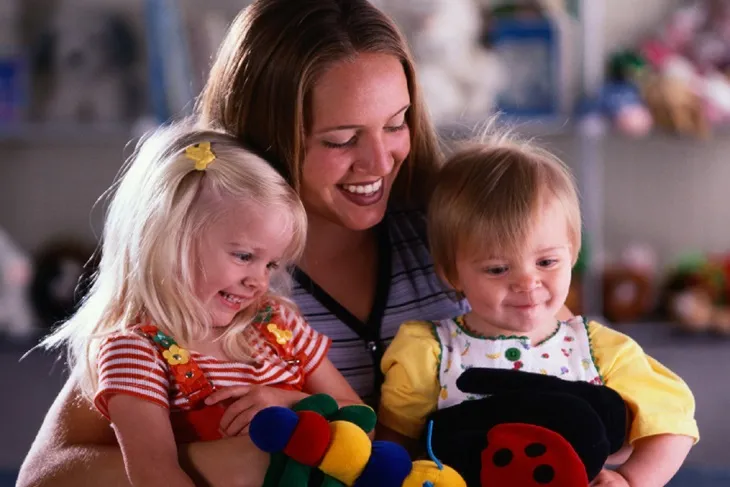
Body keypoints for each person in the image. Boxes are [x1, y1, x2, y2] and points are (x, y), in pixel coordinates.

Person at [18, 1, 571, 485]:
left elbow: (573, 364)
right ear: (269, 134)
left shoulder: (460, 229)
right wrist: (231, 459)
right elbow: (44, 476)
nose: (381, 163)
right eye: (341, 138)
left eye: (396, 123)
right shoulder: (212, 276)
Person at [33, 122, 360, 487]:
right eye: (244, 256)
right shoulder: (135, 352)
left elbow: (361, 418)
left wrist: (287, 401)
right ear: (172, 240)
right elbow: (155, 474)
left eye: (270, 264)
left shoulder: (277, 324)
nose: (260, 281)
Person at [378, 136, 699, 486]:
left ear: (572, 253)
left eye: (546, 261)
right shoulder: (429, 352)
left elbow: (673, 423)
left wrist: (631, 480)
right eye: (498, 269)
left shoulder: (600, 350)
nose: (527, 282)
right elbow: (394, 447)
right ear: (452, 272)